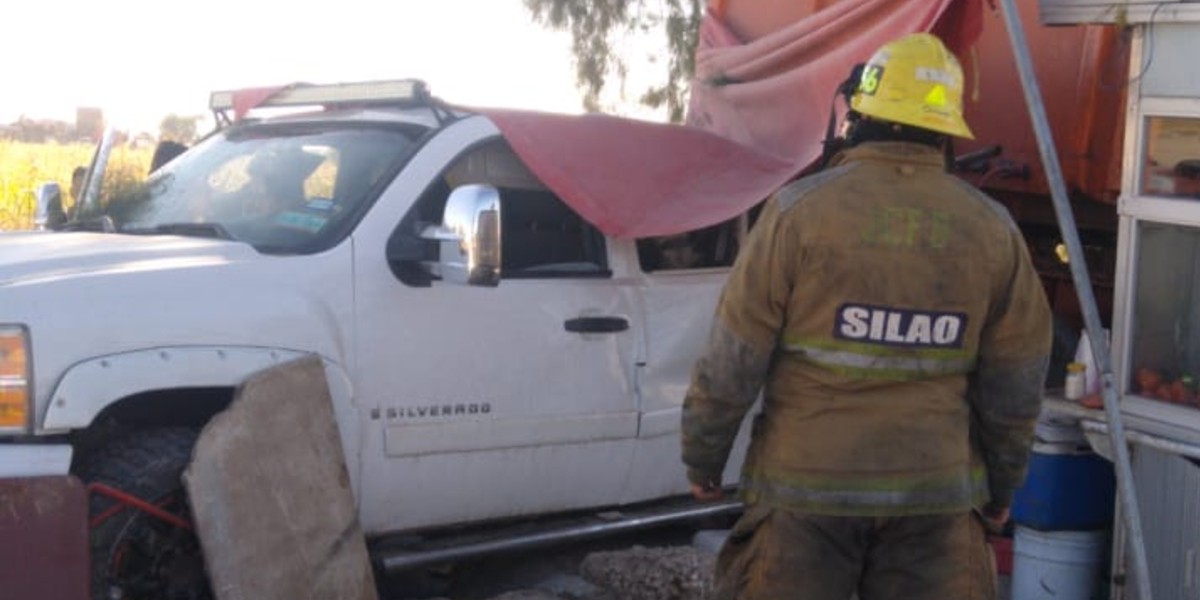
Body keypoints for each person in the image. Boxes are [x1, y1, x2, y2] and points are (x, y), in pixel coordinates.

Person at [680, 32, 1052, 600]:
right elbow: (1016, 382)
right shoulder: (992, 229)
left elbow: (734, 355)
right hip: (936, 499)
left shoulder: (798, 213)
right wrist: (1003, 485)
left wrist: (704, 456)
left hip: (805, 493)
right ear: (946, 129)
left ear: (860, 113)